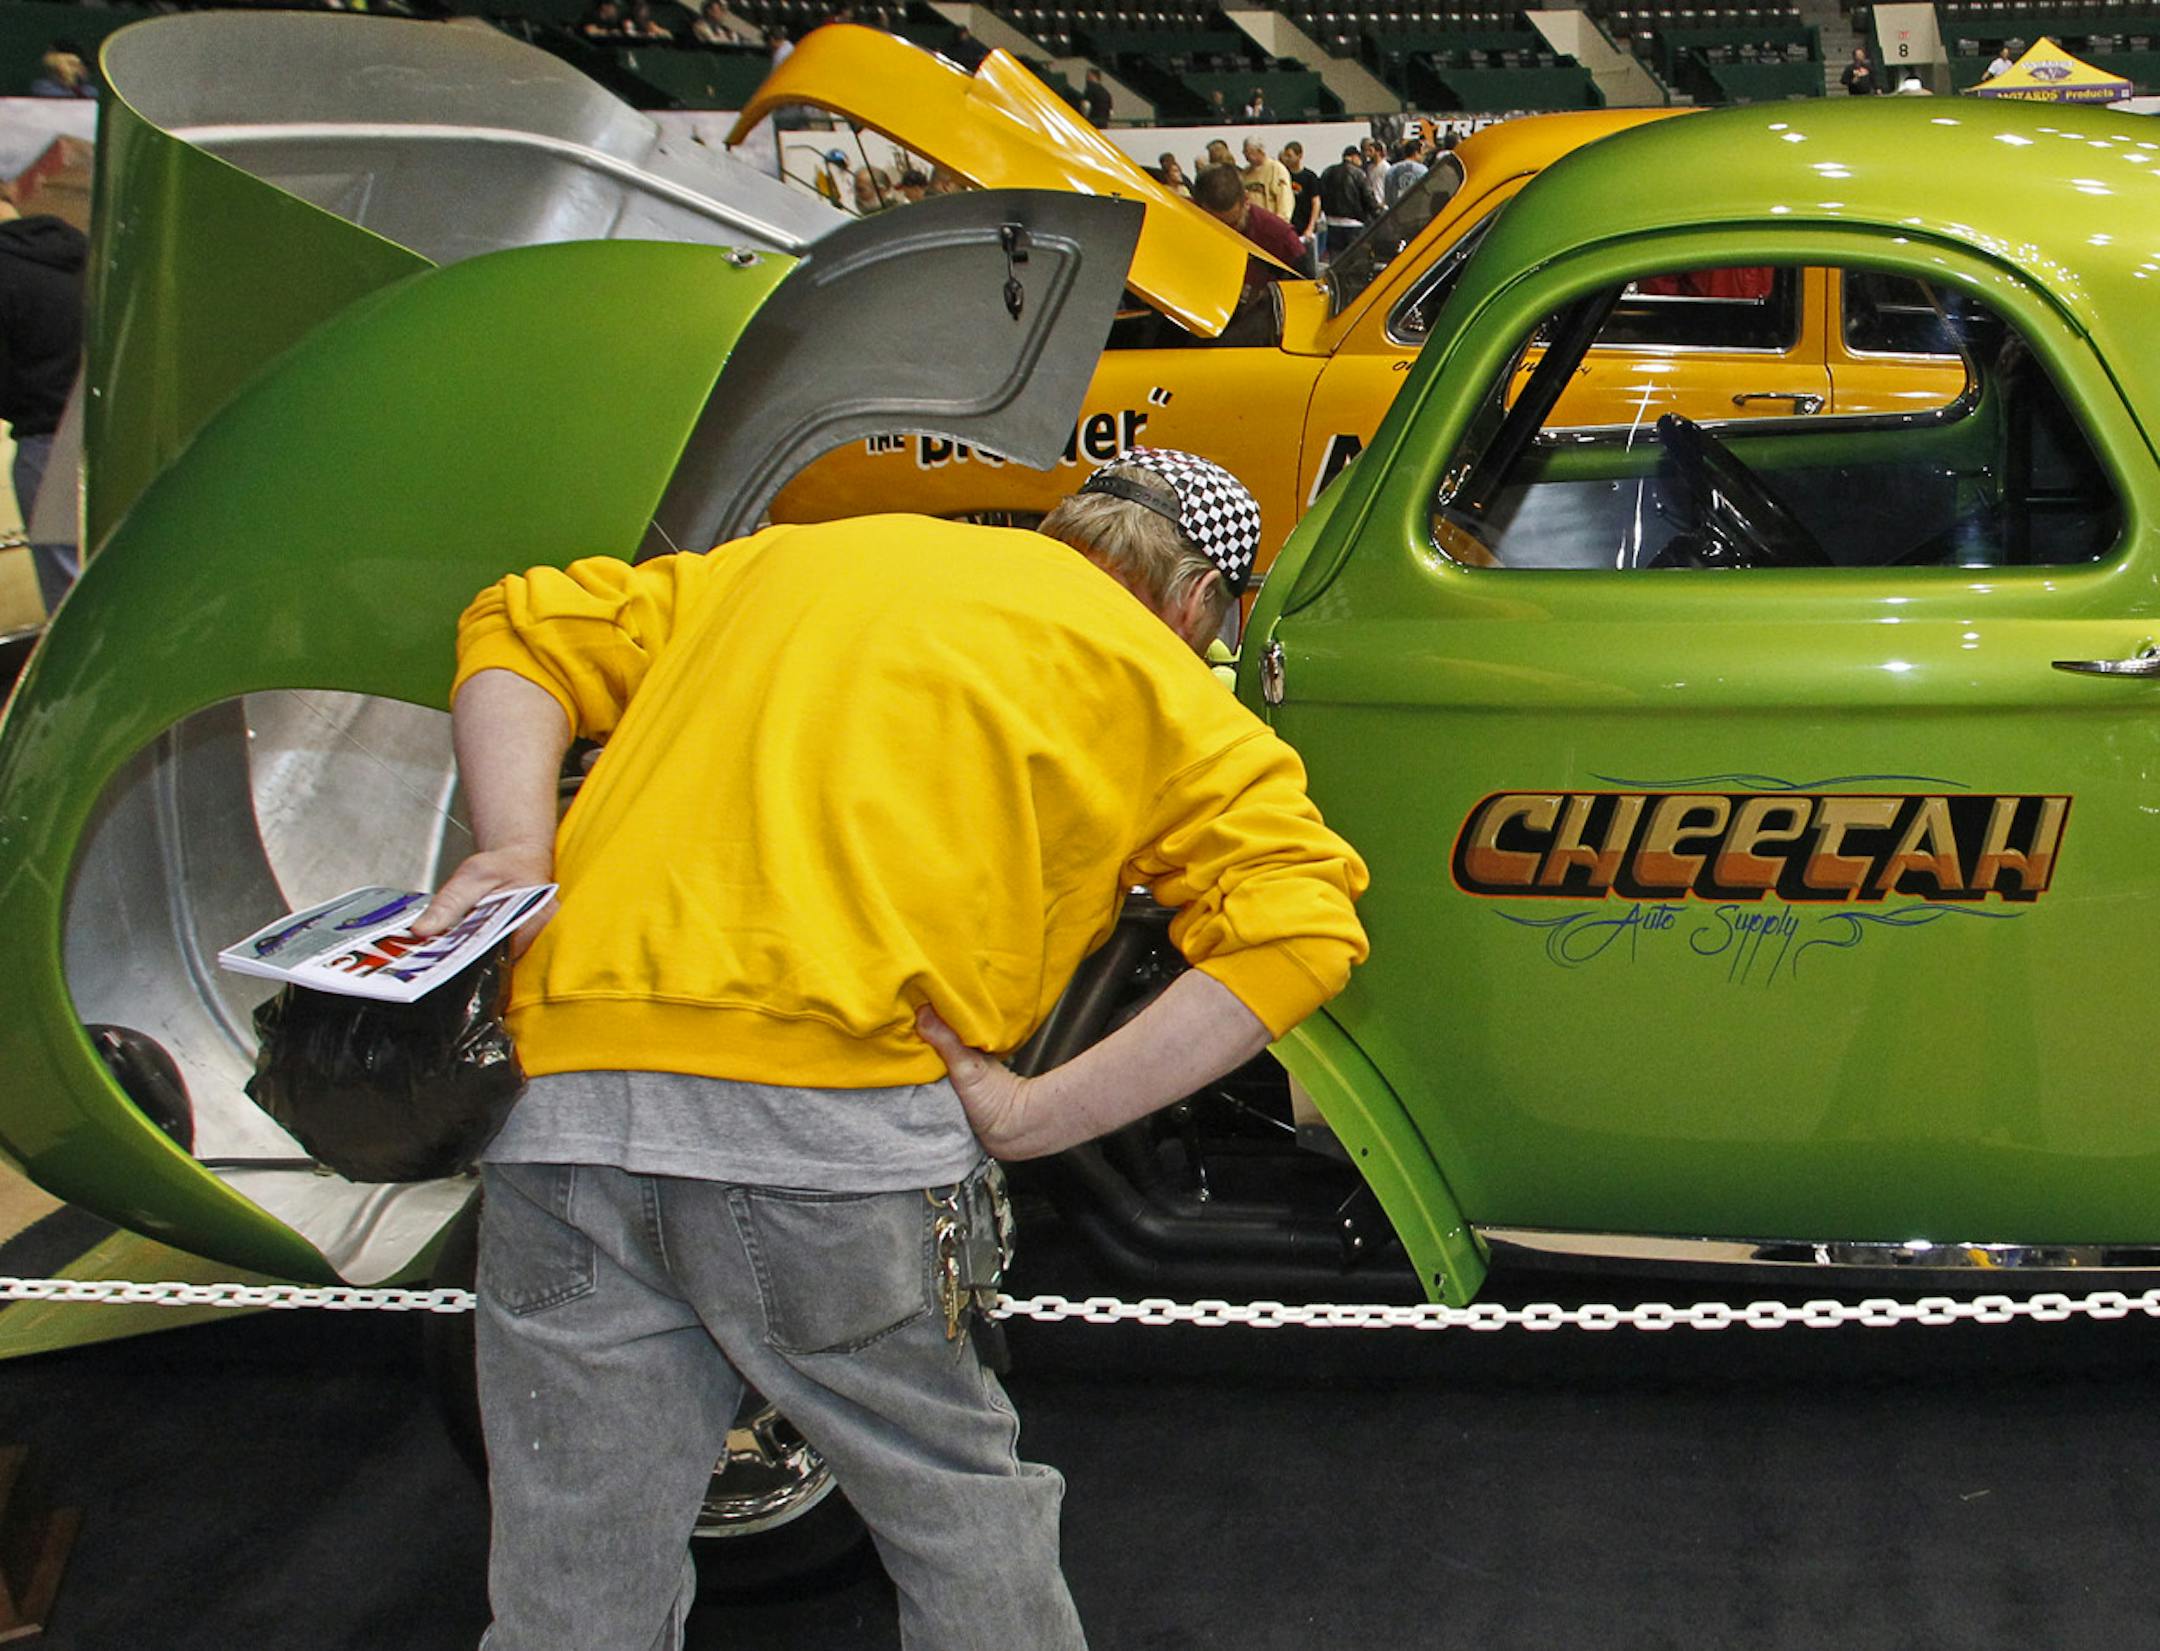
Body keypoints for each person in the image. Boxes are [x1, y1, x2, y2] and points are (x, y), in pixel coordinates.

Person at [416, 451, 1370, 1651]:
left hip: (562, 1107)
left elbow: (521, 626)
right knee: (956, 1508)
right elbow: (1301, 924)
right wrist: (1036, 1115)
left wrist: (514, 848)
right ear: (1194, 606)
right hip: (837, 1138)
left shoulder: (789, 561)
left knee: (572, 1561)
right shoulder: (1147, 672)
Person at [0, 214, 84, 612]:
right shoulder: (90, 255)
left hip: (47, 447)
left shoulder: (5, 271)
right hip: (118, 432)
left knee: (71, 600)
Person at [1193, 161, 1307, 301]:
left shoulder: (1279, 236)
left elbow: (1307, 291)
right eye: (1214, 224)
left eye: (1232, 223)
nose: (1225, 232)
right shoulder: (1186, 217)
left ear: (1246, 200)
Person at [1318, 143, 1379, 261]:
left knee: (1336, 261)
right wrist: (1377, 214)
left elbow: (1321, 195)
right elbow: (1368, 197)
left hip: (1332, 223)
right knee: (1356, 262)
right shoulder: (1358, 173)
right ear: (1353, 157)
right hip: (1354, 224)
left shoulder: (1327, 172)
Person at [1279, 141, 1322, 255]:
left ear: (1299, 156)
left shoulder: (1309, 177)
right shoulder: (1283, 174)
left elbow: (1316, 202)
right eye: (1286, 156)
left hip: (1304, 224)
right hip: (1289, 224)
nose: (1287, 159)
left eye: (1290, 156)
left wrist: (1310, 227)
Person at [1238, 136, 1294, 222]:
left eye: (1249, 152)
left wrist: (1280, 224)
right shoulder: (1245, 173)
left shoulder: (1277, 169)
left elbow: (1285, 201)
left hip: (1269, 224)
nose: (1245, 156)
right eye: (1244, 152)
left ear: (1260, 151)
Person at [27, 47, 94, 99]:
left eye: (79, 64)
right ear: (56, 68)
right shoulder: (42, 87)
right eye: (72, 64)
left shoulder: (88, 90)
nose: (78, 68)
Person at [1381, 137, 1427, 208]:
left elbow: (1388, 197)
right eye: (1423, 153)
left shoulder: (1391, 169)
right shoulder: (1422, 170)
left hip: (1396, 213)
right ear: (1416, 153)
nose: (1424, 156)